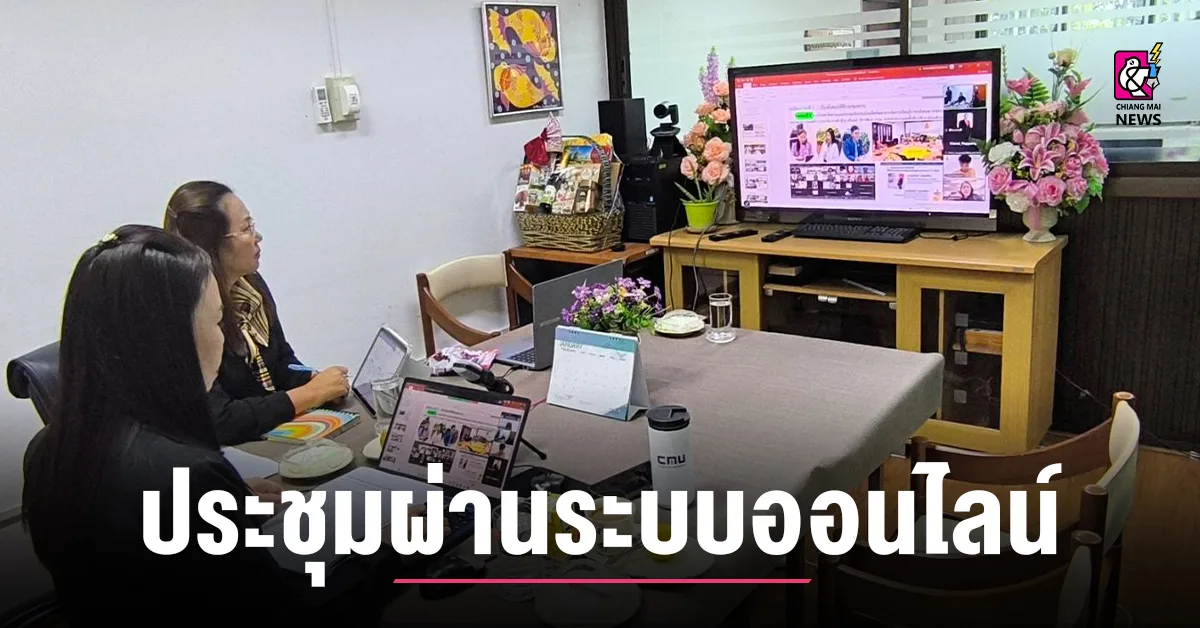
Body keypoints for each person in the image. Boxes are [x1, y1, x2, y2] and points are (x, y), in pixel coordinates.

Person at [21, 226, 393, 623]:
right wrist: (381, 544)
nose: (222, 339)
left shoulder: (45, 451)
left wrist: (231, 503)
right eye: (217, 323)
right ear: (172, 341)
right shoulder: (189, 476)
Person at [164, 181, 349, 445]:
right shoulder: (185, 317)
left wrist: (312, 378)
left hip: (275, 430)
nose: (257, 236)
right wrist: (309, 394)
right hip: (235, 449)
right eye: (246, 229)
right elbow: (220, 420)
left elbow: (282, 360)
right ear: (212, 245)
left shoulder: (250, 286)